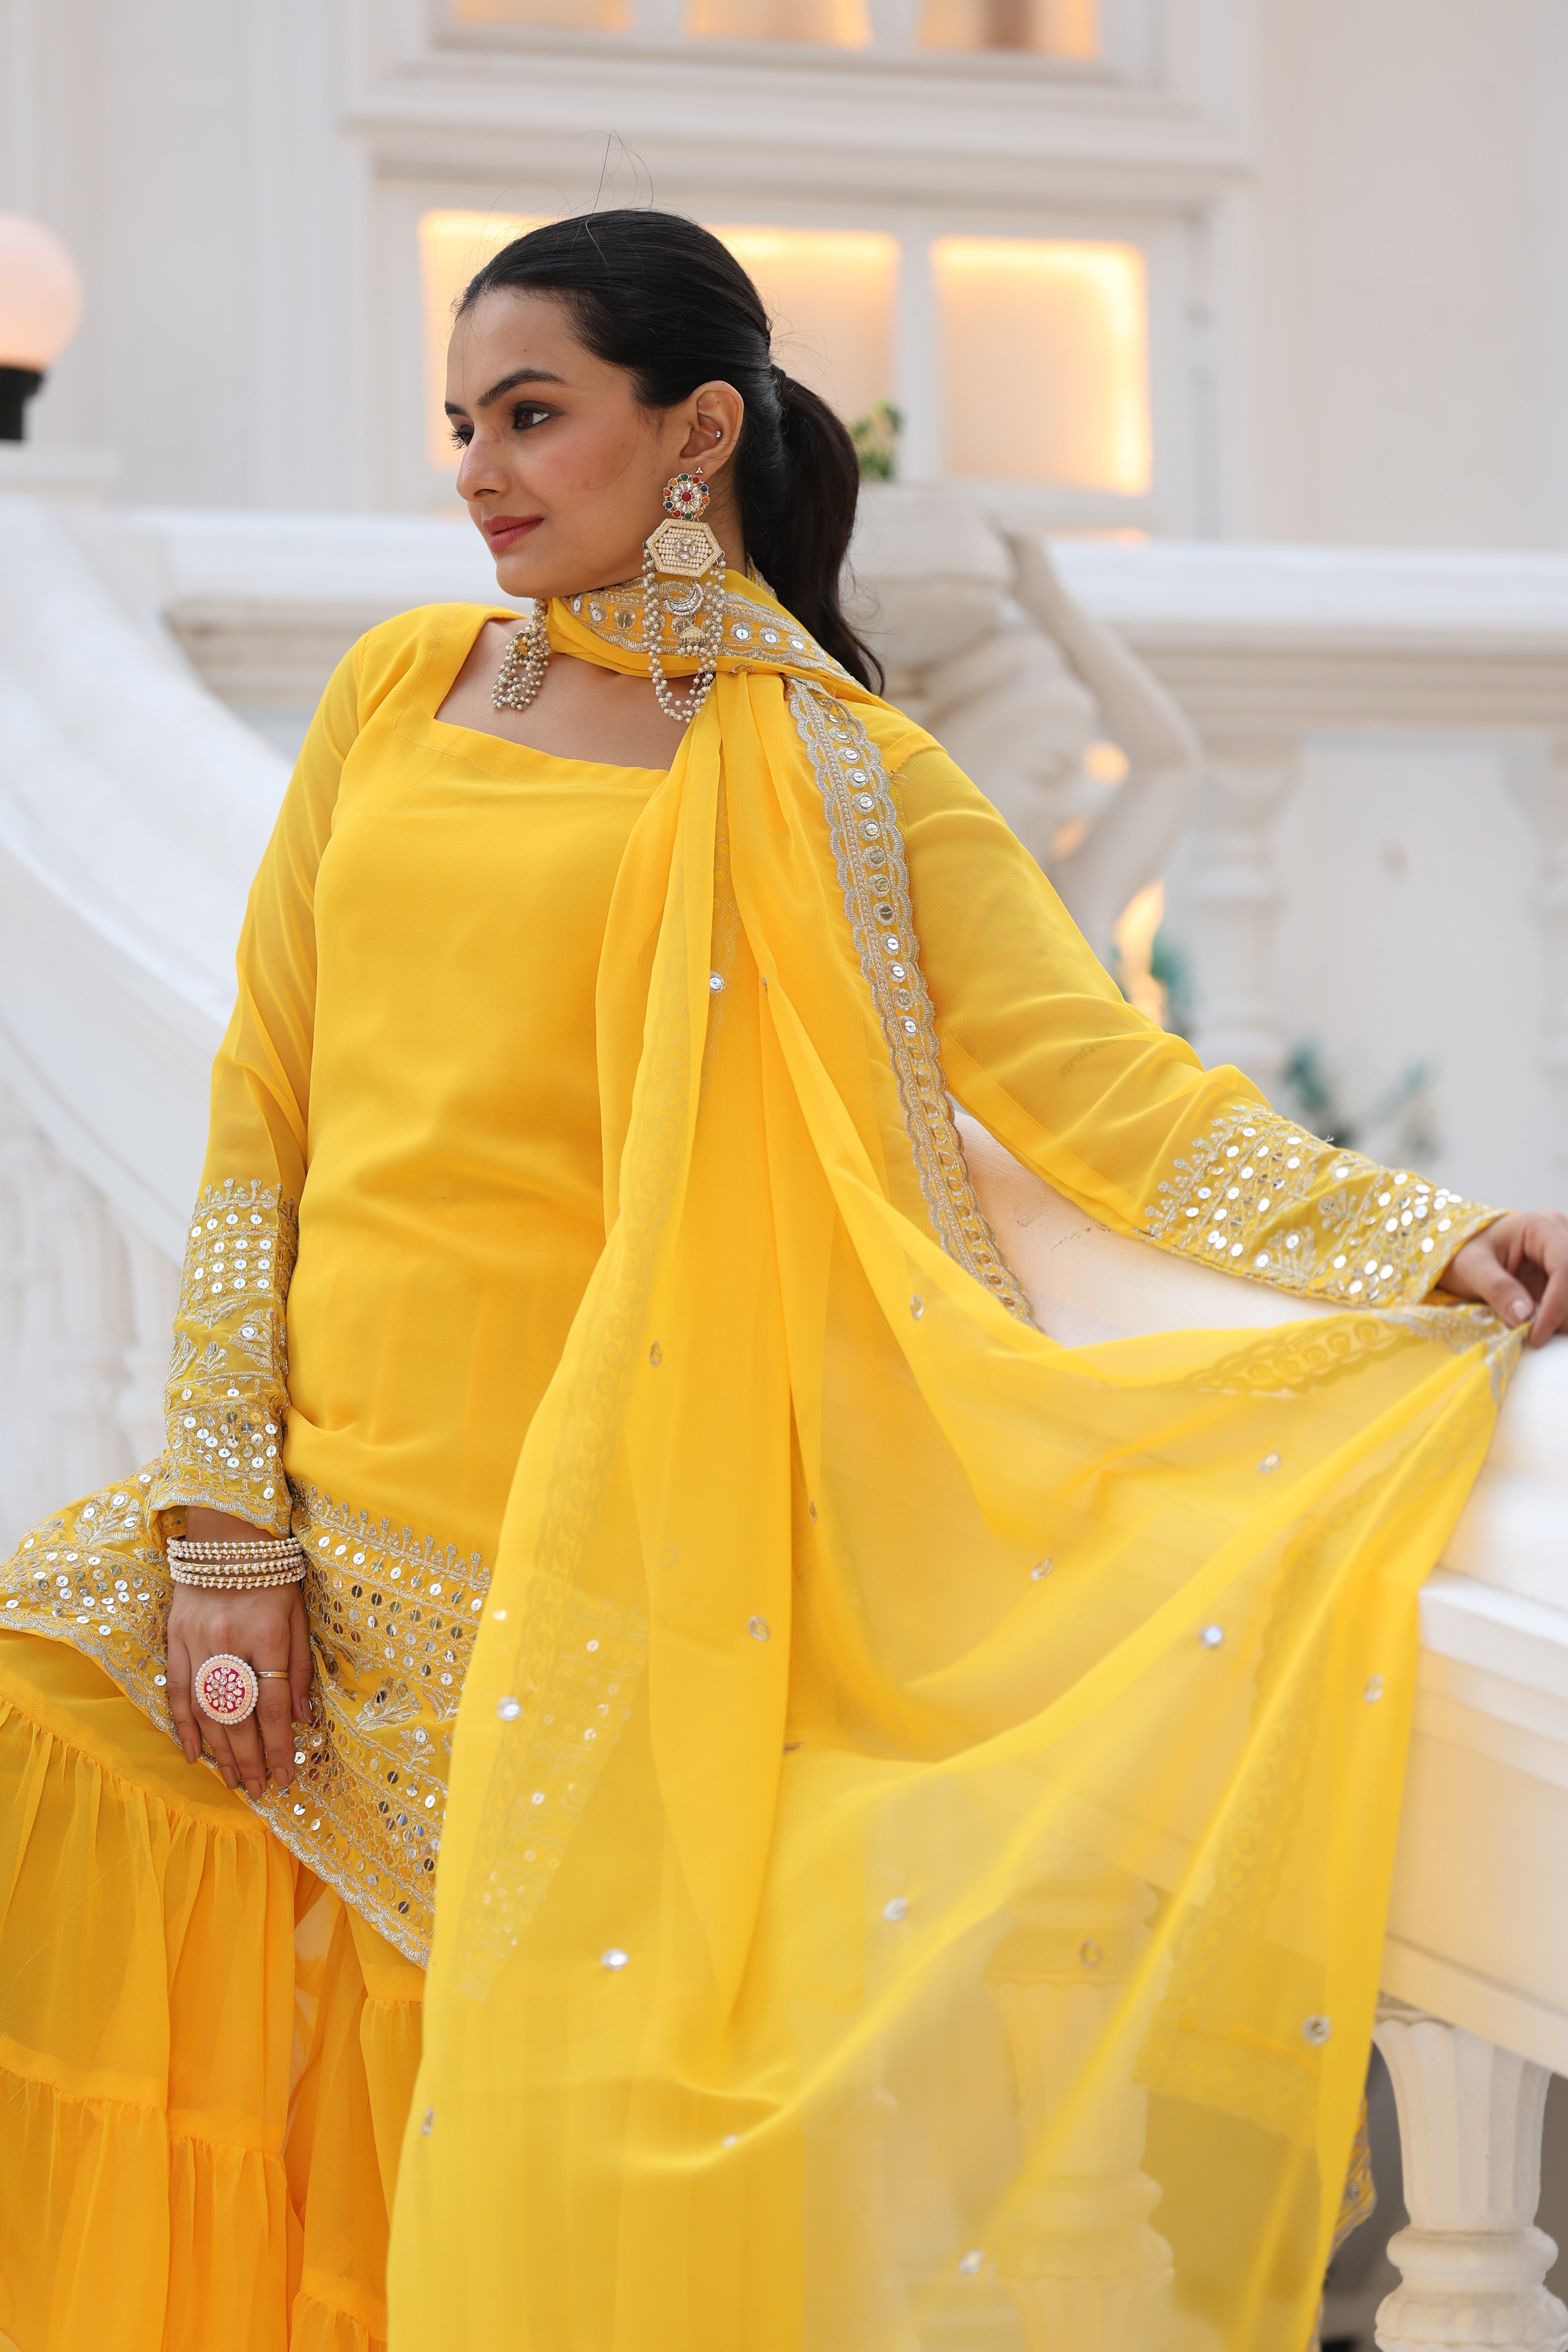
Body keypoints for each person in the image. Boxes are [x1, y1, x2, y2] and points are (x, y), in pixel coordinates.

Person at [0, 210, 1564, 2352]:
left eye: (532, 416)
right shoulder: (397, 690)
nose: (479, 473)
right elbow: (262, 1110)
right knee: (49, 1756)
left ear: (700, 430)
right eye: (461, 426)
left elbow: (1105, 1088)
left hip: (574, 1568)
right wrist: (217, 1521)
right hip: (308, 1512)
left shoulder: (842, 775)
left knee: (467, 2135)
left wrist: (1419, 1234)